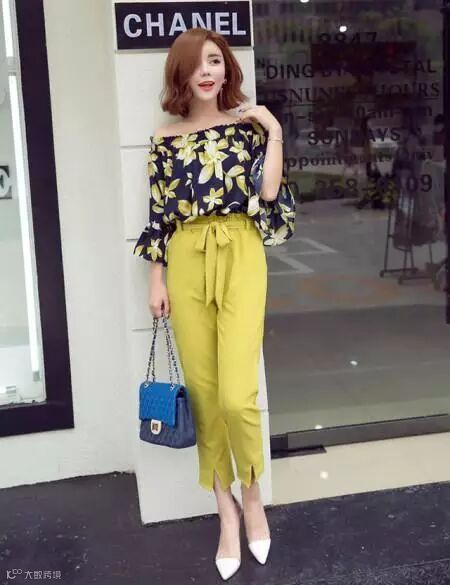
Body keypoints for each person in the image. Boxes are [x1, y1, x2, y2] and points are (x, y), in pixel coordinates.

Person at [133, 27, 296, 580]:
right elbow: (159, 215)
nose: (207, 71)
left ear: (227, 68)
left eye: (215, 61)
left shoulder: (249, 128)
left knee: (237, 396)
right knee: (205, 396)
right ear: (180, 74)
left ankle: (253, 497)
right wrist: (157, 279)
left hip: (241, 251)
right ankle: (225, 509)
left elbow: (268, 194)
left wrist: (274, 131)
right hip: (185, 258)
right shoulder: (164, 138)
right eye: (196, 64)